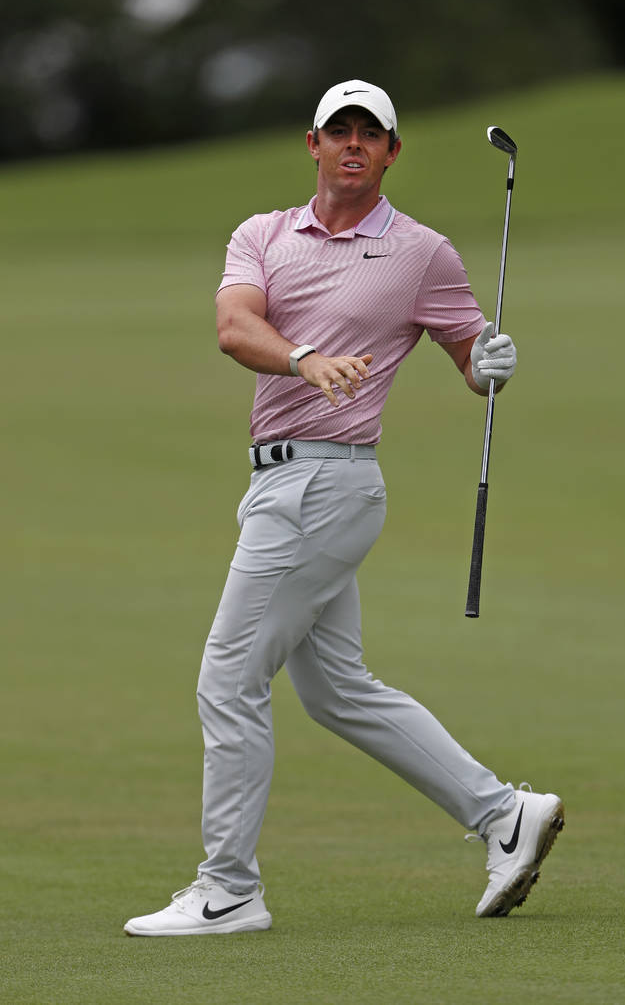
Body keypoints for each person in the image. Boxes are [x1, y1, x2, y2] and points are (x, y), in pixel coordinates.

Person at [124, 79, 564, 936]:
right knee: (336, 691)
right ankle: (505, 814)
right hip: (279, 483)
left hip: (328, 484)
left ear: (393, 152)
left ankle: (229, 889)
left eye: (372, 133)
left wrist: (493, 363)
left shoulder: (422, 252)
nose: (354, 143)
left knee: (229, 679)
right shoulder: (262, 235)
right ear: (314, 143)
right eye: (340, 130)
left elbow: (473, 359)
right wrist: (304, 358)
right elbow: (233, 328)